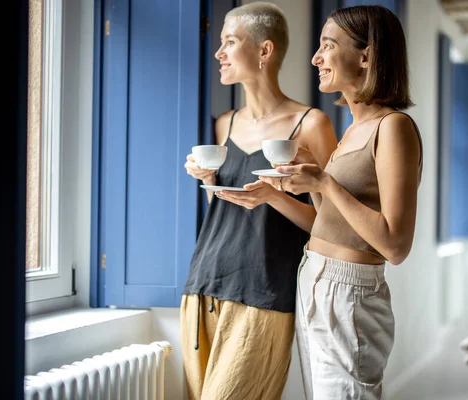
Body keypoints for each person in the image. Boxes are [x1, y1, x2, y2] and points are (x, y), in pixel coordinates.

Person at [261, 5, 423, 399]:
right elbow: (330, 221)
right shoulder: (353, 130)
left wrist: (327, 183)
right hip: (315, 277)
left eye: (327, 46)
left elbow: (396, 245)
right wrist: (306, 181)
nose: (316, 58)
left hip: (350, 295)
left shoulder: (393, 127)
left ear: (366, 56)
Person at [180, 3, 338, 400]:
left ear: (264, 51)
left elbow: (331, 225)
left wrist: (273, 196)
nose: (219, 54)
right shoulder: (223, 124)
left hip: (264, 293)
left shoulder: (311, 125)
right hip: (203, 285)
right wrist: (206, 175)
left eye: (230, 42)